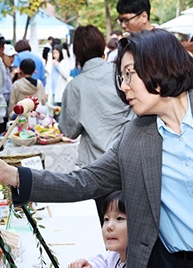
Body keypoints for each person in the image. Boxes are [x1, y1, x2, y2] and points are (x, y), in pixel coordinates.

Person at [0, 28, 193, 268]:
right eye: (121, 76)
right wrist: (9, 174)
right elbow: (85, 181)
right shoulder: (134, 136)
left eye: (130, 74)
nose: (123, 87)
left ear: (161, 66)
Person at [59, 25, 135, 224]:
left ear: (76, 52)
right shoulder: (121, 74)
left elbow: (69, 131)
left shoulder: (75, 86)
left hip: (98, 168)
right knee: (133, 224)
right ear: (102, 45)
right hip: (130, 160)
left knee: (109, 227)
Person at [68, 191, 127, 268]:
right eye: (106, 219)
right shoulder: (115, 254)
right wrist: (90, 267)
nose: (109, 226)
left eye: (119, 218)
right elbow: (105, 261)